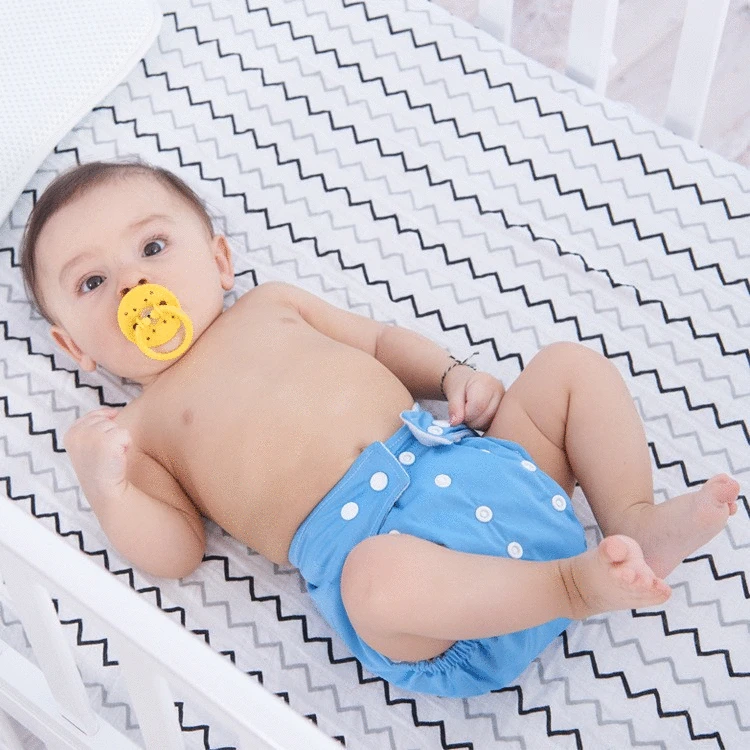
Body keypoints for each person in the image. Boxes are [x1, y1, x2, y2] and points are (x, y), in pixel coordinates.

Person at [21, 160, 740, 697]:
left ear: (219, 260)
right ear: (74, 347)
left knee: (566, 368)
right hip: (430, 594)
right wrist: (108, 488)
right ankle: (574, 588)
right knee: (374, 581)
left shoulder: (273, 305)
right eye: (92, 283)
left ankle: (632, 521)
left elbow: (380, 343)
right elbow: (177, 551)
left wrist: (453, 374)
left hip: (481, 468)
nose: (134, 286)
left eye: (152, 248)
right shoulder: (138, 430)